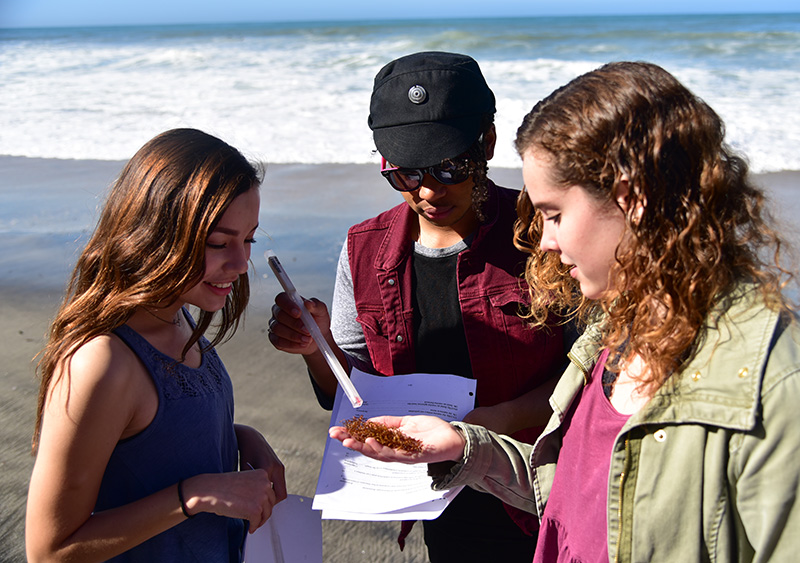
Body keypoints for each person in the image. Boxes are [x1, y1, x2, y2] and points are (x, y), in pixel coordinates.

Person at [329, 61, 800, 562]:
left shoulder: (770, 382)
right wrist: (467, 448)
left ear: (631, 201)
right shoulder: (604, 346)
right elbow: (573, 501)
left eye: (553, 215)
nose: (543, 242)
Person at [268, 51, 569, 561]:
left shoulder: (546, 234)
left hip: (542, 493)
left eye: (450, 167)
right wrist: (313, 346)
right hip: (434, 501)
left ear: (488, 142)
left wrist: (486, 425)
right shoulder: (364, 249)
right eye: (405, 173)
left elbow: (593, 374)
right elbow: (349, 390)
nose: (429, 190)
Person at [26, 128, 287, 563]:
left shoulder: (177, 317)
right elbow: (50, 549)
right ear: (157, 235)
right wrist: (195, 495)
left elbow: (157, 441)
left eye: (249, 240)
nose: (241, 264)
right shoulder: (102, 362)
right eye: (219, 243)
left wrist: (243, 438)